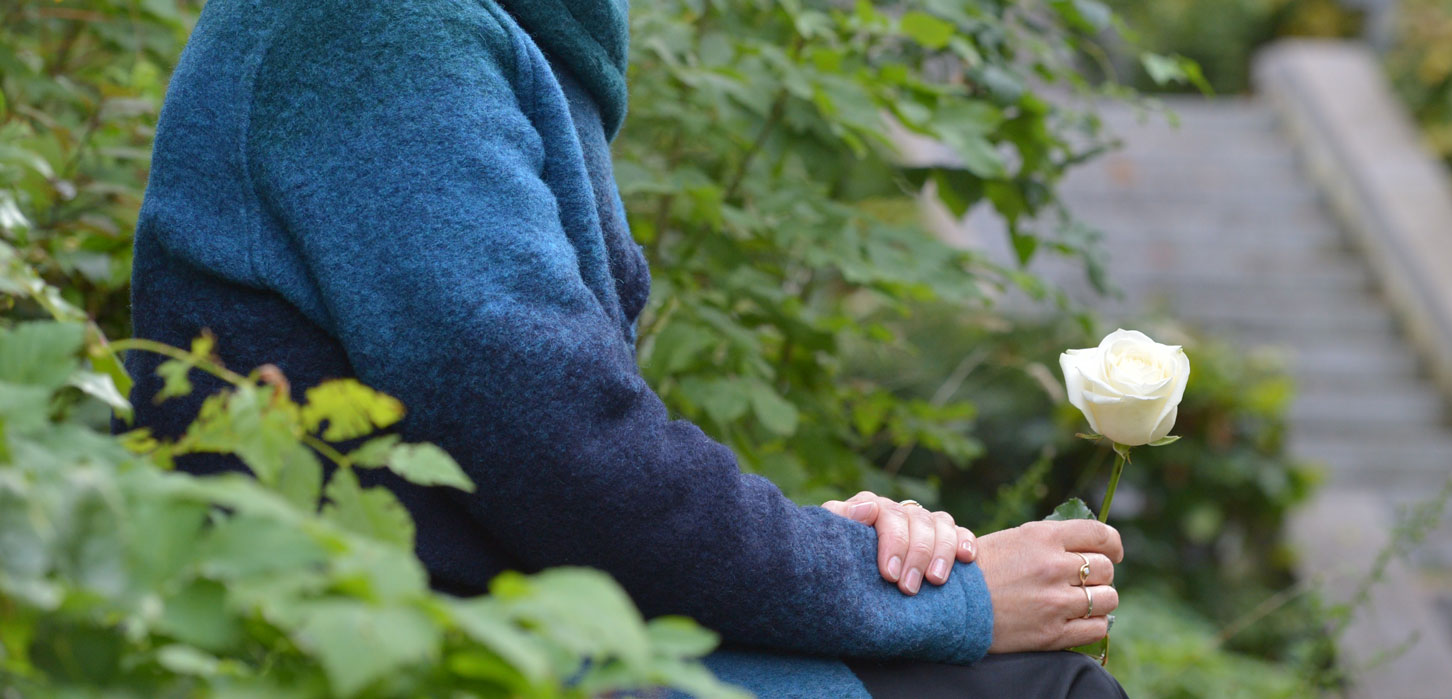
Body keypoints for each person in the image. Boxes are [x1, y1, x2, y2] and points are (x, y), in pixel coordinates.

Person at [124, 0, 1127, 696]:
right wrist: (927, 598)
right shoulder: (374, 34)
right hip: (408, 654)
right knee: (1039, 686)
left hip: (508, 619)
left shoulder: (496, 34)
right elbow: (569, 462)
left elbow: (555, 448)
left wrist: (830, 549)